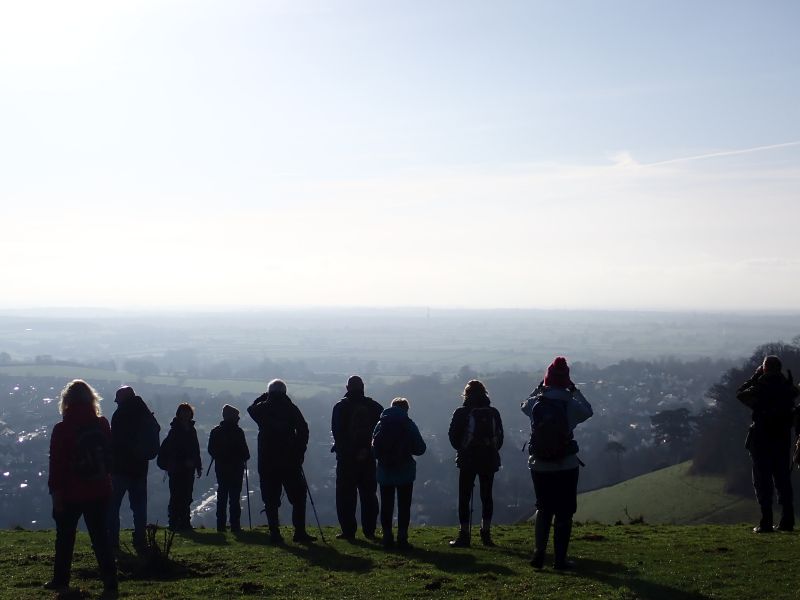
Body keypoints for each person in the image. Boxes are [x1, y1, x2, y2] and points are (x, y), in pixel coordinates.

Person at [45, 379, 118, 594]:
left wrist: (56, 491)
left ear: (66, 401)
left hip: (70, 491)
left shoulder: (63, 428)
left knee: (65, 538)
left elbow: (56, 463)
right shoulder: (102, 424)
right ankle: (110, 580)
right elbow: (110, 455)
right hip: (99, 488)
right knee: (100, 537)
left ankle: (61, 580)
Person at [521, 357, 592, 569]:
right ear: (566, 381)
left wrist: (539, 388)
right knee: (564, 511)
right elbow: (588, 411)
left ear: (547, 379)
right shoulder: (570, 404)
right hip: (566, 464)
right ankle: (560, 560)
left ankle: (539, 554)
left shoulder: (537, 403)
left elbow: (524, 405)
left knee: (543, 509)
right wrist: (574, 390)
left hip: (539, 464)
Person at [247, 379, 316, 544]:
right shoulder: (290, 408)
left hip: (267, 462)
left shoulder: (262, 409)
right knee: (298, 497)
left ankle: (275, 533)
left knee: (270, 500)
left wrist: (264, 396)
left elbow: (250, 409)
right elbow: (303, 429)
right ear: (284, 392)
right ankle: (299, 532)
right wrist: (299, 451)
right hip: (290, 460)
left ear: (269, 392)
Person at [737, 355, 798, 533]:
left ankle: (766, 521)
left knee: (762, 481)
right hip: (782, 439)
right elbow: (794, 394)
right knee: (783, 480)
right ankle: (788, 520)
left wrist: (755, 377)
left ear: (764, 368)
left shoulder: (759, 388)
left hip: (762, 440)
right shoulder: (788, 389)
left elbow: (740, 393)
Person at [448, 379, 504, 547]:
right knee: (487, 496)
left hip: (468, 460)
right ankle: (485, 533)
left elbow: (453, 437)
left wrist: (462, 449)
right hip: (489, 459)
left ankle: (464, 534)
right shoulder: (493, 412)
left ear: (466, 394)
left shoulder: (461, 412)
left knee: (464, 497)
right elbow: (500, 437)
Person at [107, 385, 160, 552]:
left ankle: (113, 540)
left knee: (113, 506)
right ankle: (140, 539)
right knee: (139, 507)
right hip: (139, 468)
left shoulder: (120, 414)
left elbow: (115, 441)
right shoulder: (144, 412)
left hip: (120, 468)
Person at [331, 375, 383, 540]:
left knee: (345, 496)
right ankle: (370, 530)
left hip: (346, 459)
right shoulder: (375, 407)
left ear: (347, 388)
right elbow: (380, 432)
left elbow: (337, 433)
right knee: (369, 495)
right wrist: (367, 450)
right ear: (363, 388)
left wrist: (347, 451)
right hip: (368, 458)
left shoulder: (340, 407)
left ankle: (348, 531)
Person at [372, 397, 426, 550]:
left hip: (385, 470)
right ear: (406, 410)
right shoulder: (409, 425)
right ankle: (402, 537)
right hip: (405, 470)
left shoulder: (380, 424)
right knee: (404, 505)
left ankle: (387, 536)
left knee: (386, 505)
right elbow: (421, 448)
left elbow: (374, 449)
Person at [157, 403, 202, 531]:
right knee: (177, 496)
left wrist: (197, 465)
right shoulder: (175, 431)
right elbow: (174, 450)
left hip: (187, 469)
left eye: (187, 412)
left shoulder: (191, 430)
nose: (186, 414)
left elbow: (196, 449)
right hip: (177, 469)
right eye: (183, 412)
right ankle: (174, 522)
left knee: (187, 496)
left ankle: (183, 522)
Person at [208, 404, 250, 532]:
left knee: (222, 497)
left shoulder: (216, 431)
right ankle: (235, 525)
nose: (238, 418)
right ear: (231, 417)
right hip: (236, 468)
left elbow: (211, 450)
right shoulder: (238, 432)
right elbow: (246, 453)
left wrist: (221, 457)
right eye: (236, 416)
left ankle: (221, 525)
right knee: (234, 498)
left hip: (221, 468)